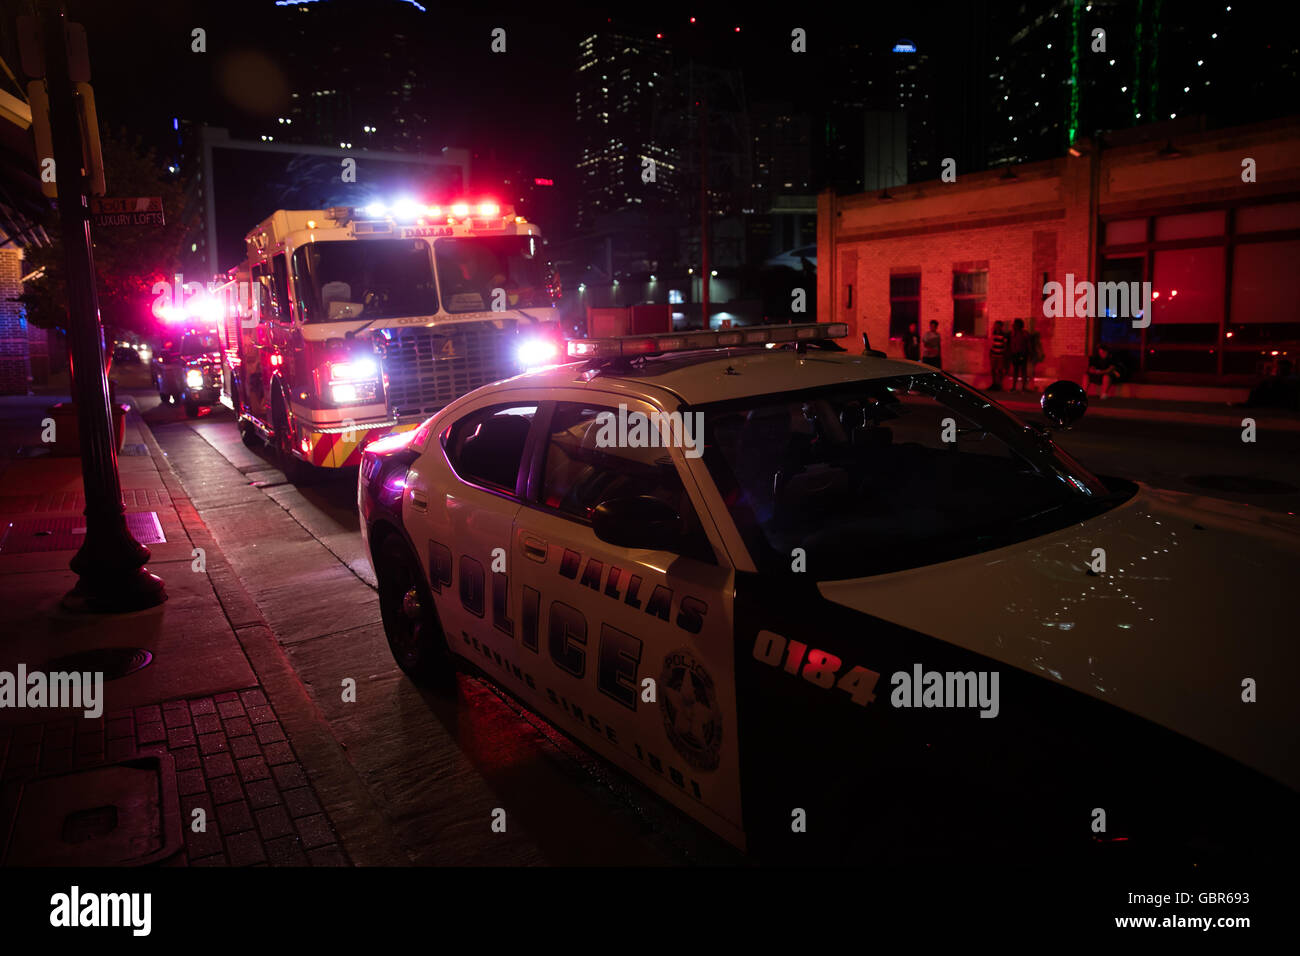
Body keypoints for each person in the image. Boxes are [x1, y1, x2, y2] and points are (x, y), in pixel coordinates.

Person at [1008, 318, 1031, 391]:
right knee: (1015, 371)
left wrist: (1029, 353)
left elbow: (1028, 344)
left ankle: (1023, 387)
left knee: (1023, 370)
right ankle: (1014, 387)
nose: (1013, 326)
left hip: (1022, 354)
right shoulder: (1012, 333)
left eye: (1015, 324)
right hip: (1015, 354)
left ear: (1019, 325)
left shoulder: (1024, 333)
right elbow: (1011, 344)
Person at [989, 320, 1008, 391]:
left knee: (1000, 370)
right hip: (994, 354)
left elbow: (1005, 345)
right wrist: (991, 352)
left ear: (1001, 326)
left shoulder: (1003, 334)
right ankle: (994, 383)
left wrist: (1004, 353)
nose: (996, 327)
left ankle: (999, 384)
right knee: (993, 369)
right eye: (995, 325)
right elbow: (992, 343)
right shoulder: (994, 333)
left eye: (997, 325)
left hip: (1000, 355)